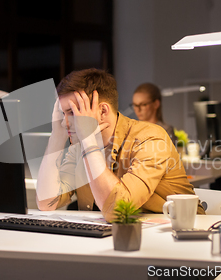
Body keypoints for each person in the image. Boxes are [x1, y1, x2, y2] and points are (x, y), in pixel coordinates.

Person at [36, 69, 205, 221]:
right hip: (118, 239)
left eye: (73, 112)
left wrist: (88, 140)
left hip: (179, 237)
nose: (65, 123)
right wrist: (56, 138)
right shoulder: (78, 147)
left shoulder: (151, 138)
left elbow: (117, 210)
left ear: (102, 111)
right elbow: (47, 202)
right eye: (62, 113)